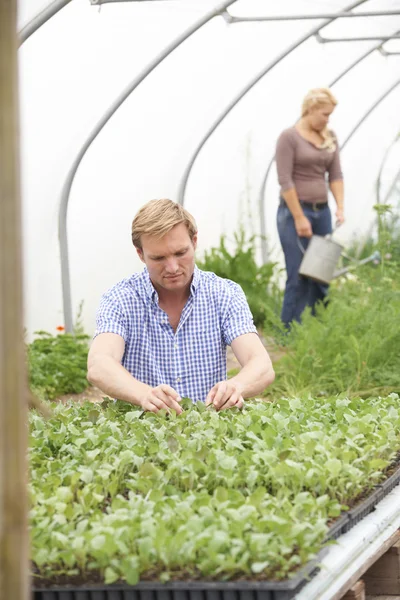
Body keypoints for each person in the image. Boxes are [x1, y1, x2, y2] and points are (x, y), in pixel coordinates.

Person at [87, 199, 275, 414]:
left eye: (180, 253)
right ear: (140, 254)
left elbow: (259, 362)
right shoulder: (119, 299)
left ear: (194, 242)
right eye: (159, 258)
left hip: (209, 427)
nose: (172, 267)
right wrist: (144, 394)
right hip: (141, 433)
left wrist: (236, 386)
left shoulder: (224, 293)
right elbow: (100, 363)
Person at [275, 87, 345, 330]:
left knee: (321, 272)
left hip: (322, 213)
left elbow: (335, 175)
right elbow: (285, 180)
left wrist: (339, 207)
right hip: (294, 213)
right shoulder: (289, 137)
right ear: (311, 109)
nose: (328, 119)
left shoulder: (330, 137)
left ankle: (318, 328)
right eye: (325, 114)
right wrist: (298, 217)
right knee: (298, 274)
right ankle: (289, 331)